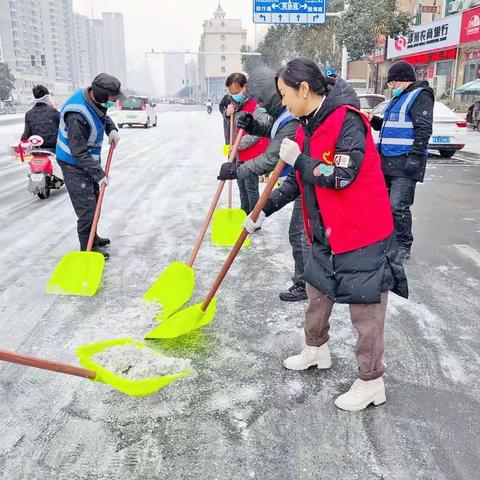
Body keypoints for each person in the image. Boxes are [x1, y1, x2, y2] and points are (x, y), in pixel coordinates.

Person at [244, 58, 408, 411]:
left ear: (304, 89)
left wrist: (299, 160)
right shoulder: (306, 124)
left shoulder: (348, 122)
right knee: (316, 292)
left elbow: (340, 176)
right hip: (325, 230)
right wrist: (261, 211)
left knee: (366, 312)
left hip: (361, 231)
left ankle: (371, 381)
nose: (283, 102)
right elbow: (296, 182)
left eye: (285, 94)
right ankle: (316, 349)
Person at [218, 66, 310, 302]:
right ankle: (309, 280)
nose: (257, 104)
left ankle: (306, 284)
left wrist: (237, 171)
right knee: (302, 233)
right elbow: (273, 129)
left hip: (307, 178)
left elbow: (271, 158)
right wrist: (254, 126)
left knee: (300, 233)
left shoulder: (291, 115)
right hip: (299, 176)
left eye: (260, 98)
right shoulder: (281, 113)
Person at [370, 61, 434, 262]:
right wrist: (374, 121)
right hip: (388, 161)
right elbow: (393, 127)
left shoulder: (420, 96)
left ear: (404, 80)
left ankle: (404, 244)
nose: (391, 87)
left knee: (398, 206)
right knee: (385, 206)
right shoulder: (397, 99)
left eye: (393, 82)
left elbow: (423, 129)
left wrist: (415, 157)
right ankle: (389, 242)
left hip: (406, 162)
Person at [55, 73, 121, 258]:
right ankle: (88, 249)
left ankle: (94, 236)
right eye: (112, 98)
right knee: (87, 209)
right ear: (100, 95)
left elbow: (102, 115)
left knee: (95, 200)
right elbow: (78, 151)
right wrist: (99, 173)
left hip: (86, 162)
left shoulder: (95, 101)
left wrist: (112, 129)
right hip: (72, 163)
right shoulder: (77, 115)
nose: (114, 101)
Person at [222, 72, 269, 215]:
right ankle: (244, 213)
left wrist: (238, 144)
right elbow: (232, 126)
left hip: (251, 153)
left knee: (250, 187)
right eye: (231, 92)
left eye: (236, 92)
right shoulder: (233, 104)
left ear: (244, 88)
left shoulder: (255, 105)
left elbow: (258, 131)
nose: (233, 94)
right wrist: (227, 114)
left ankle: (254, 218)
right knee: (241, 185)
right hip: (238, 154)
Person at [21, 85, 60, 150]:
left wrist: (23, 142)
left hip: (37, 149)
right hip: (54, 148)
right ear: (47, 98)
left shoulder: (29, 114)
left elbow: (26, 134)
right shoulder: (54, 112)